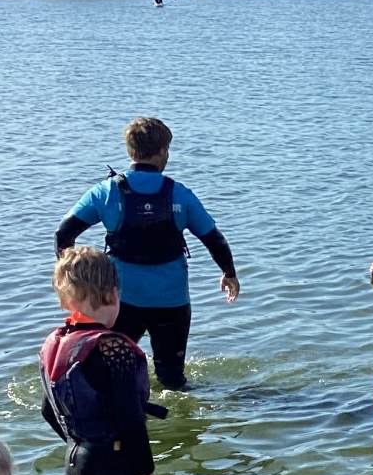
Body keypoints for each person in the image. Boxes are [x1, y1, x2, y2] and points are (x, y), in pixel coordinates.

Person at [53, 116, 241, 392]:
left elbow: (64, 234)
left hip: (119, 302)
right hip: (171, 302)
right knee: (172, 380)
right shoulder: (180, 194)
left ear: (130, 150)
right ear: (163, 151)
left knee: (112, 377)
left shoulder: (106, 192)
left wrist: (75, 280)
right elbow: (214, 239)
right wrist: (229, 273)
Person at [40, 248, 165, 475]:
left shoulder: (57, 342)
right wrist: (145, 470)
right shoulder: (112, 348)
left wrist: (82, 446)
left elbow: (47, 411)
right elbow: (130, 420)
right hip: (114, 466)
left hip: (77, 463)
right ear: (112, 293)